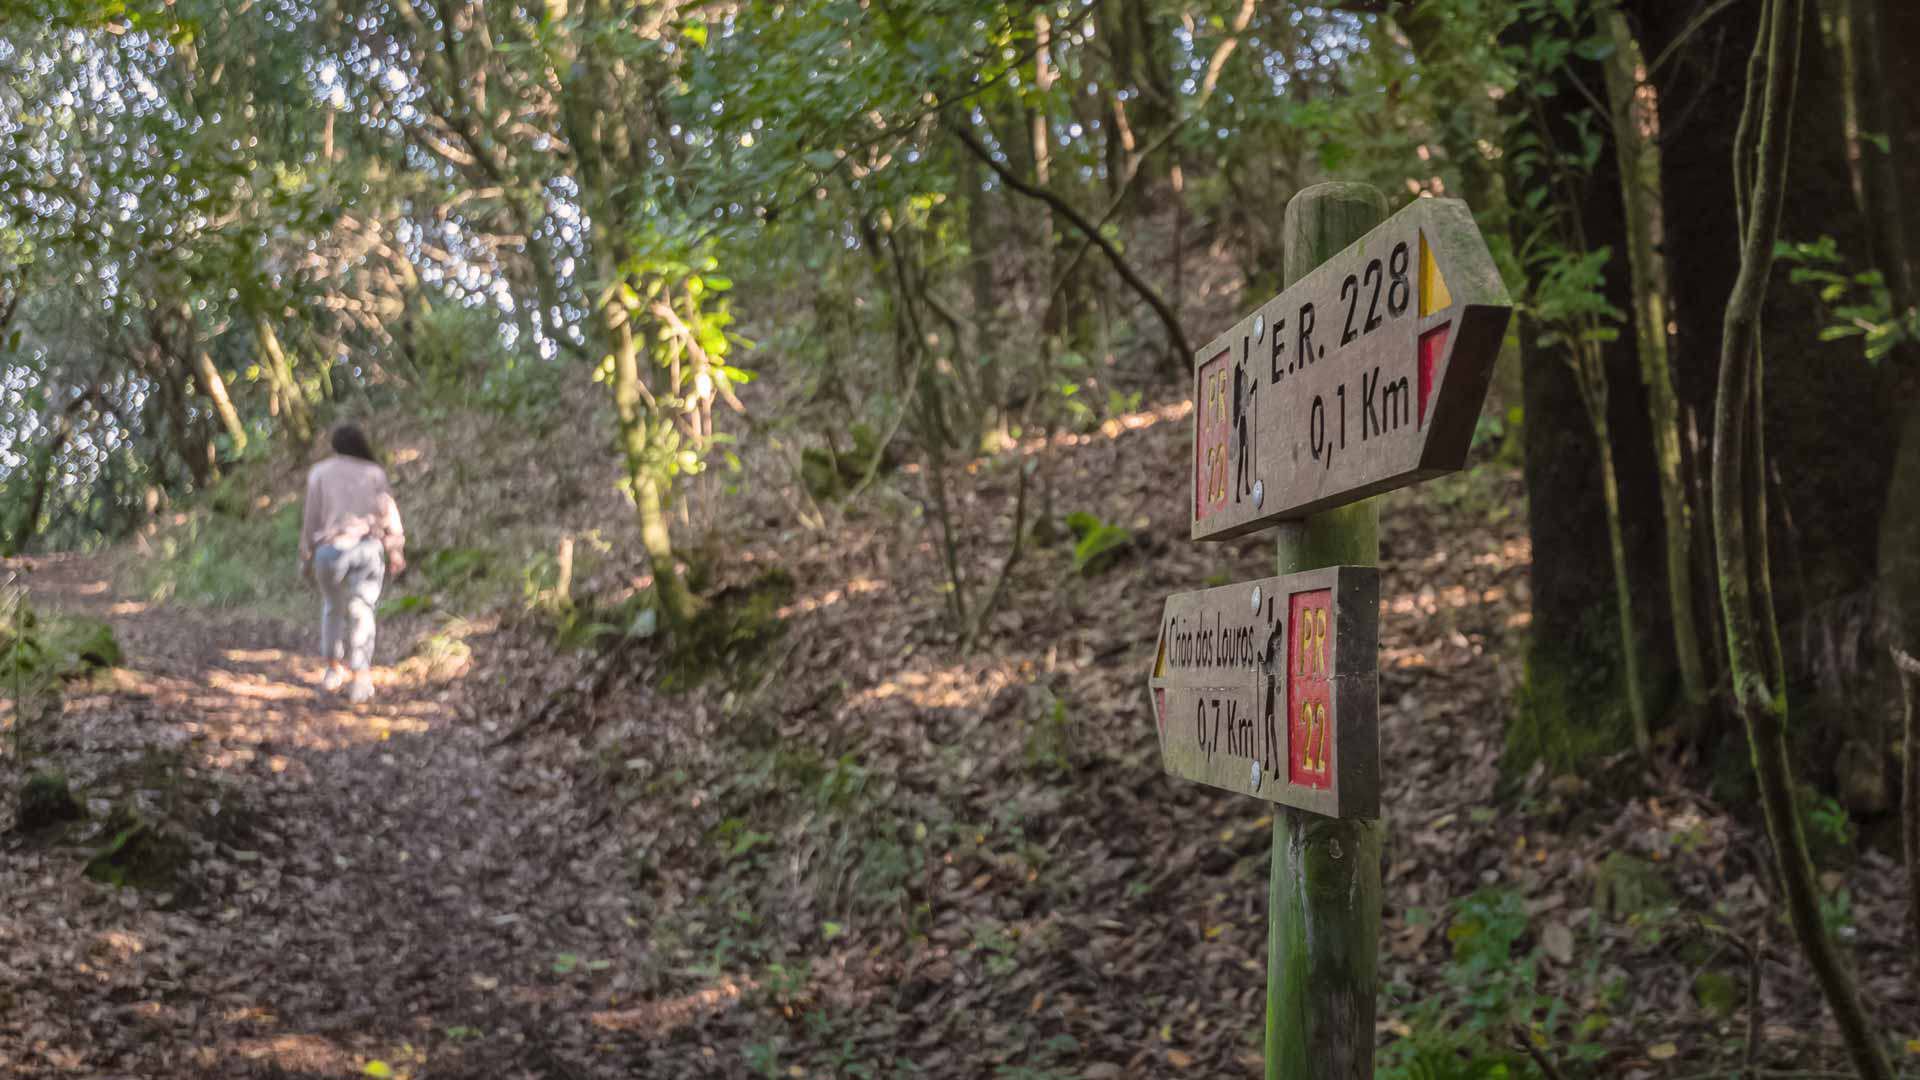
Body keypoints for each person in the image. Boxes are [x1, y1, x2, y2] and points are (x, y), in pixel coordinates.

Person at [300, 423, 405, 704]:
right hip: (368, 548)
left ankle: (332, 670)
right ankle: (361, 676)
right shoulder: (374, 473)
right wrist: (395, 550)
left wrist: (306, 553)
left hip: (330, 551)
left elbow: (311, 518)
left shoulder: (319, 473)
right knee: (363, 609)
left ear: (334, 446)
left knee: (333, 607)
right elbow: (389, 514)